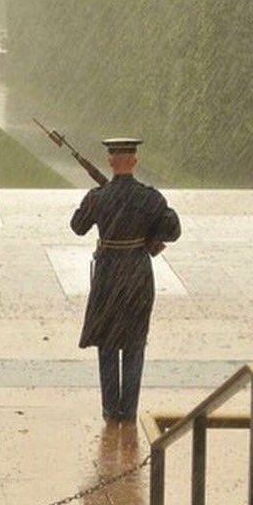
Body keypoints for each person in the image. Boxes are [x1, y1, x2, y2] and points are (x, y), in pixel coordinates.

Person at [71, 138, 181, 423]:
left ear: (110, 162)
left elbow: (78, 227)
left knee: (107, 343)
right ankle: (128, 410)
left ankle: (110, 409)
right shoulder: (150, 198)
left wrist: (94, 200)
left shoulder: (99, 196)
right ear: (134, 161)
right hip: (136, 272)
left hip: (109, 274)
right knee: (134, 343)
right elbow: (172, 230)